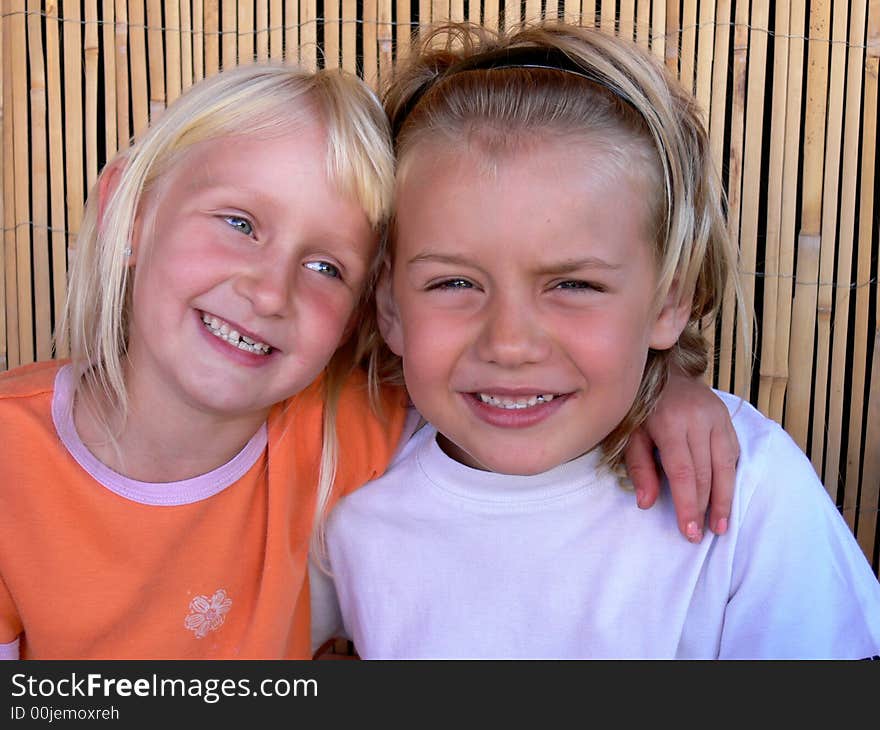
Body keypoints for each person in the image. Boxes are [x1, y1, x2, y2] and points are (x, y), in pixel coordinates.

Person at [0, 58, 738, 660]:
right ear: (128, 208)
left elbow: (514, 377)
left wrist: (659, 381)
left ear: (369, 308)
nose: (268, 291)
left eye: (327, 267)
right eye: (239, 222)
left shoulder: (351, 432)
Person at [312, 21, 880, 659]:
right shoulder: (345, 489)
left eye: (574, 286)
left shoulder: (742, 487)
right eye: (453, 283)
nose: (510, 343)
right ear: (389, 305)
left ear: (669, 300)